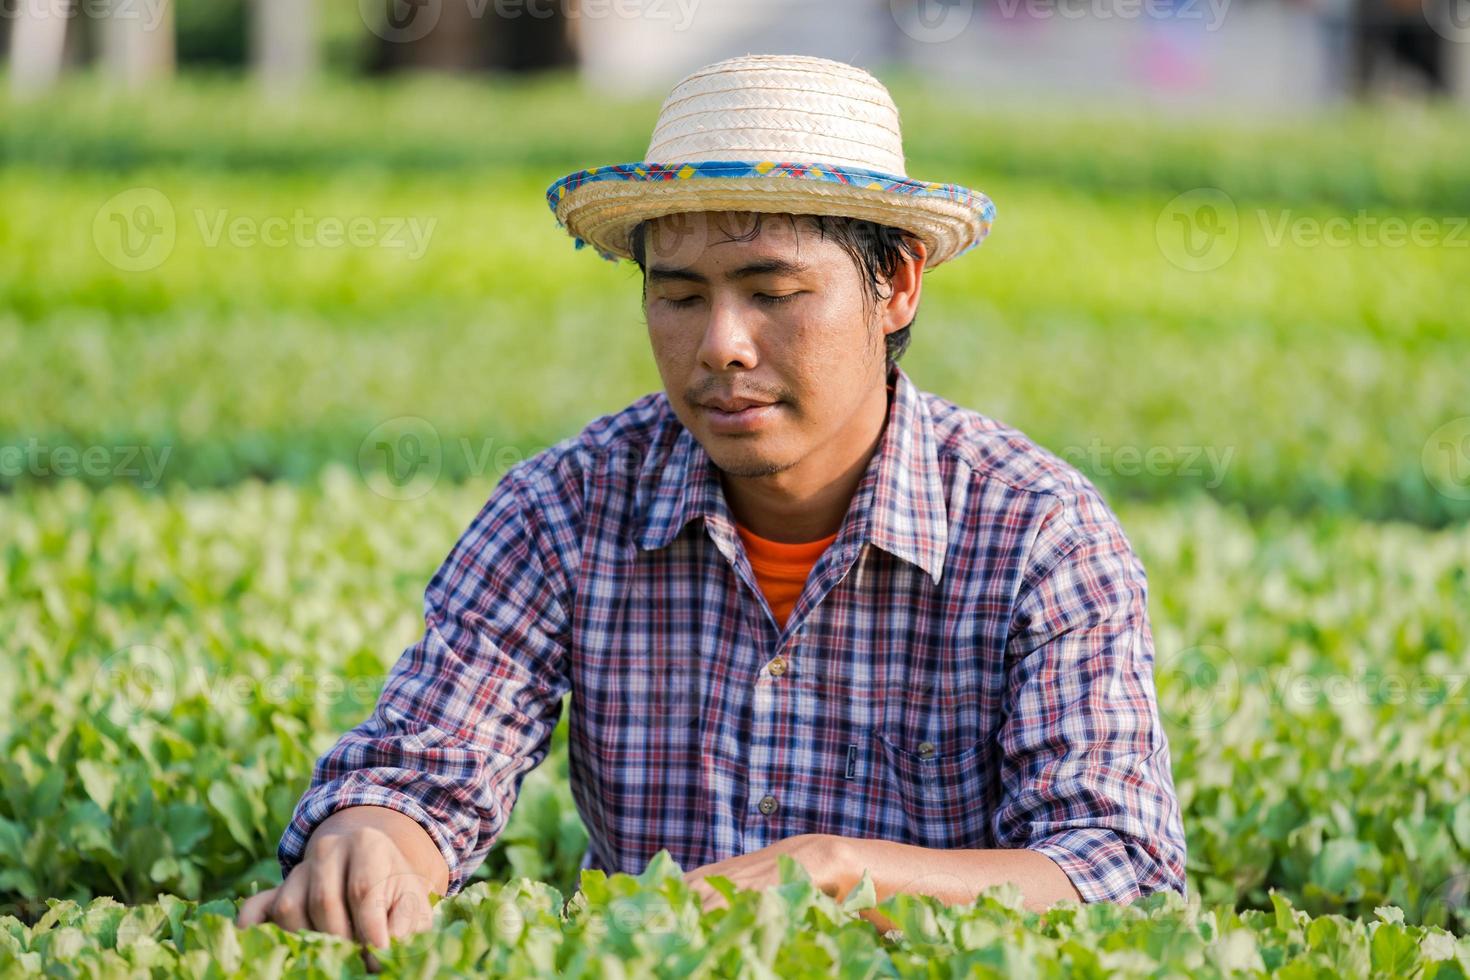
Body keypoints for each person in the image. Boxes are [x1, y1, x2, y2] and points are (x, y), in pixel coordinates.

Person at [238, 53, 1187, 948]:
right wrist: (370, 839)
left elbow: (1117, 868)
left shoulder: (1041, 535)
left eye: (773, 291)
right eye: (680, 297)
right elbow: (427, 768)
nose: (722, 345)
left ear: (895, 285)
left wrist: (834, 870)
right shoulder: (563, 510)